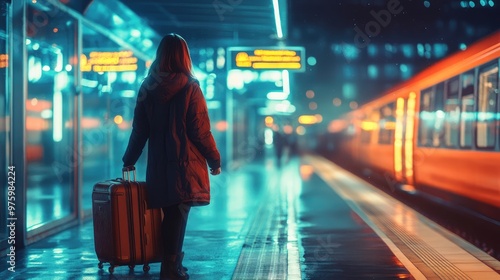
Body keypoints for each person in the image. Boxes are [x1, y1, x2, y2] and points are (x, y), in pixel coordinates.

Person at [122, 33, 221, 280]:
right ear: (184, 56)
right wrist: (214, 159)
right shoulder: (190, 87)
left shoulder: (147, 87)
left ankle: (173, 265)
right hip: (184, 164)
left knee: (171, 214)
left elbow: (140, 130)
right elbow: (199, 129)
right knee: (178, 214)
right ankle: (170, 269)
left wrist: (129, 159)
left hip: (158, 165)